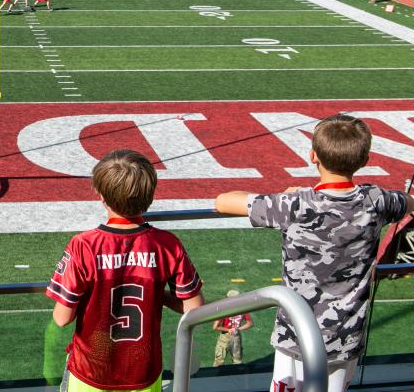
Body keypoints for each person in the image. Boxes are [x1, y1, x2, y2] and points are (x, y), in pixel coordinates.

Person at [215, 115, 414, 392]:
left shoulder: (295, 204)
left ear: (313, 156)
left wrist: (284, 196)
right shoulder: (376, 200)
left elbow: (223, 202)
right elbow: (406, 203)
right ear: (366, 160)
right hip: (346, 338)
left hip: (295, 335)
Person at [47, 149, 204, 392]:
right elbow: (195, 308)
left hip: (90, 374)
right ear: (150, 195)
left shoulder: (84, 245)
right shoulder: (167, 244)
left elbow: (61, 318)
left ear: (100, 195)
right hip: (144, 374)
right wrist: (154, 292)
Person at [212, 290, 253, 367]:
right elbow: (250, 323)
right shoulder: (243, 308)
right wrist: (238, 329)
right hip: (236, 336)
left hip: (225, 337)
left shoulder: (223, 309)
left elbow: (215, 327)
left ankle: (217, 377)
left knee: (219, 361)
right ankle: (237, 377)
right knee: (237, 361)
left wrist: (228, 330)